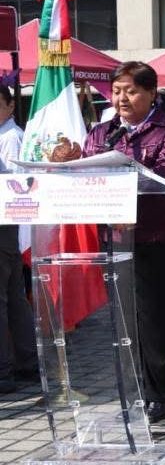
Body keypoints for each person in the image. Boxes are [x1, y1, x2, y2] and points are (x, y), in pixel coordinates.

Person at [83, 62, 165, 424]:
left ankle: (159, 396)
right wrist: (71, 162)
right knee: (125, 320)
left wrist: (123, 169)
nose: (121, 98)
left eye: (130, 90)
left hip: (157, 237)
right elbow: (87, 169)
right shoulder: (102, 133)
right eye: (116, 91)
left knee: (155, 320)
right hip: (115, 236)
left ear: (150, 93)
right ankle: (133, 393)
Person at [0, 86, 36, 394]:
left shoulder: (10, 138)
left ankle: (4, 370)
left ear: (11, 106)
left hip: (5, 223)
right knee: (14, 298)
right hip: (7, 228)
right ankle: (26, 362)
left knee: (8, 299)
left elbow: (14, 187)